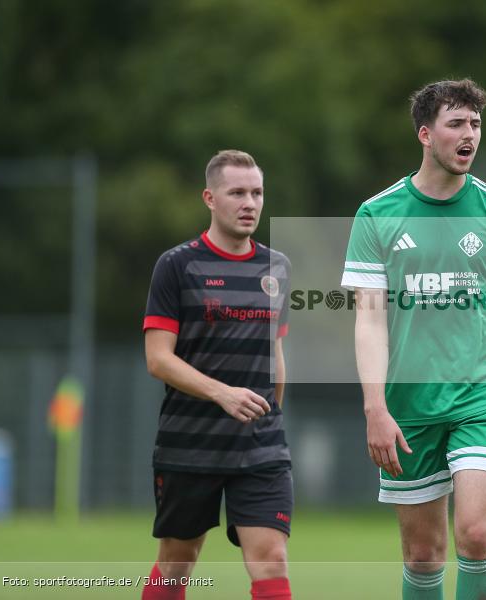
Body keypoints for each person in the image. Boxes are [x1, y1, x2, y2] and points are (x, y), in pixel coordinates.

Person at [341, 78, 486, 600]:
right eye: (456, 124)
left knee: (478, 535)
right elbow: (368, 319)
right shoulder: (377, 214)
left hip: (482, 395)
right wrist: (374, 408)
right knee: (422, 553)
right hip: (408, 404)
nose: (470, 135)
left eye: (476, 125)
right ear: (425, 134)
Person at [142, 150, 293, 600]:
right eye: (237, 193)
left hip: (260, 446)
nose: (250, 202)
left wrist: (272, 415)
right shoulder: (176, 265)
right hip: (190, 442)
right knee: (177, 562)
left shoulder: (277, 267)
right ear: (210, 198)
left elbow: (276, 350)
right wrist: (223, 394)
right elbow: (158, 359)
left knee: (271, 558)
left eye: (257, 192)